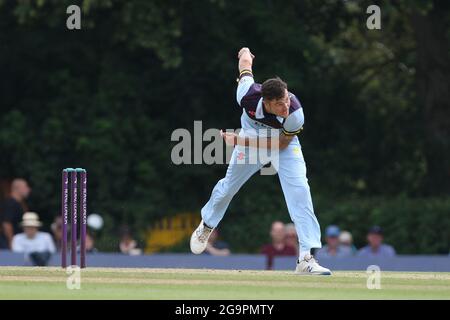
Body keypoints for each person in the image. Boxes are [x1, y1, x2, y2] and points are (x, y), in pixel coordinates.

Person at [190, 47, 331, 275]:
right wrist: (244, 52)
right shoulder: (246, 95)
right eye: (280, 104)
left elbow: (281, 145)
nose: (286, 105)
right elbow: (245, 67)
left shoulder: (295, 113)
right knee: (228, 188)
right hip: (250, 138)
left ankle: (306, 258)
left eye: (287, 99)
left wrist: (239, 141)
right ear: (267, 102)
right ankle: (206, 225)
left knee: (300, 192)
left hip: (280, 143)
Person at [0, 179, 31, 249]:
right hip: (7, 242)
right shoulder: (10, 203)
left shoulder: (19, 203)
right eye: (25, 187)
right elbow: (6, 224)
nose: (28, 189)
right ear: (17, 188)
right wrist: (11, 242)